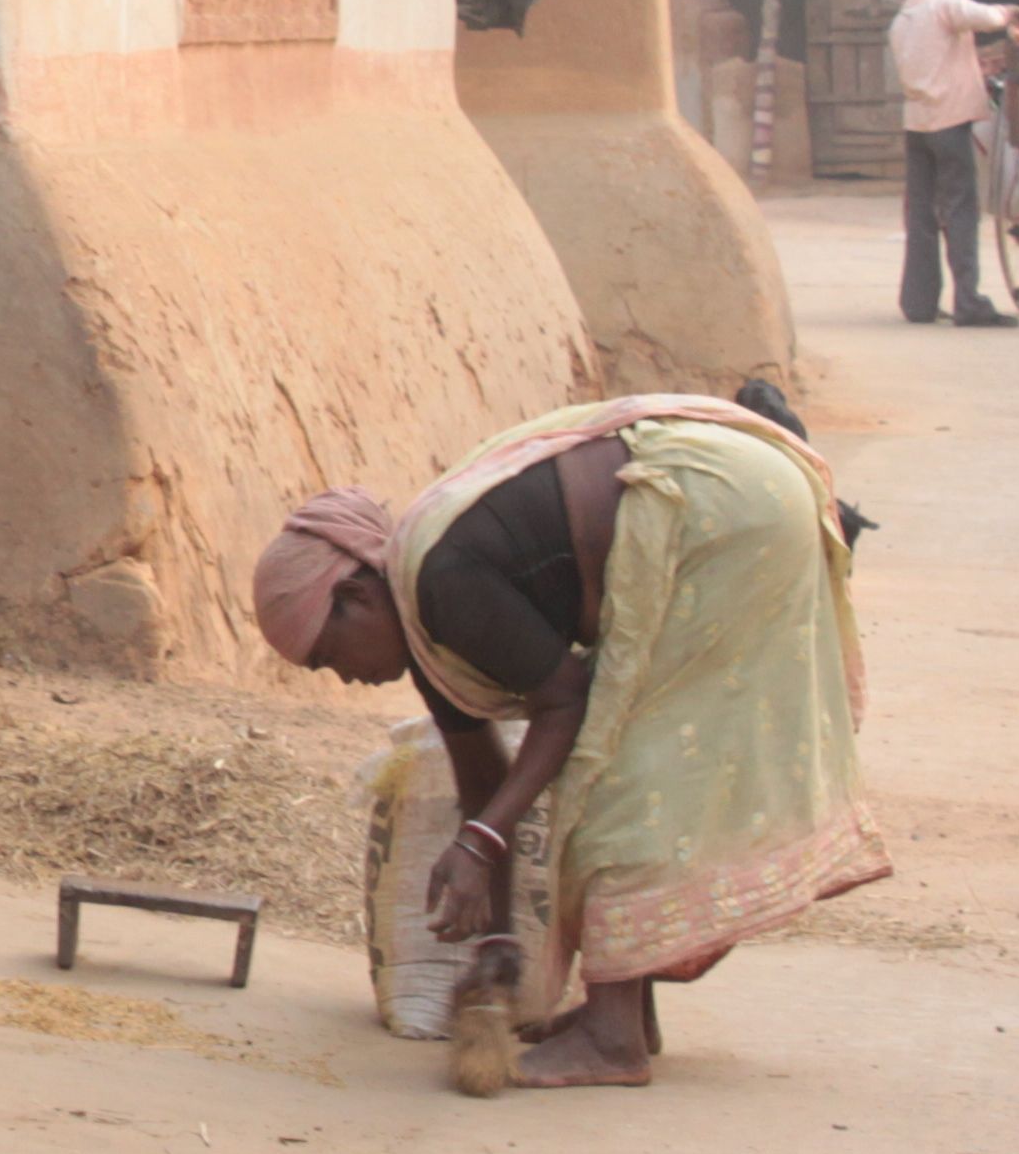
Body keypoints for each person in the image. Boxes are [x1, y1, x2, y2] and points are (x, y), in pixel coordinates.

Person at [252, 395, 890, 1089]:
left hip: (722, 511)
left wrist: (478, 847)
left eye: (328, 655)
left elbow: (565, 704)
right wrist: (498, 940)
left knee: (611, 781)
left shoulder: (441, 583)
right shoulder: (428, 630)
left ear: (359, 598)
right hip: (732, 498)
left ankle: (614, 1040)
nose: (343, 677)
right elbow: (484, 784)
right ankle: (624, 1015)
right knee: (617, 771)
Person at [887, 0, 1019, 327]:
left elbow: (936, 58)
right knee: (960, 211)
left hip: (917, 125)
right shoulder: (944, 6)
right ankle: (969, 302)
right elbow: (985, 17)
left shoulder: (901, 21)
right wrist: (1010, 12)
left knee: (921, 215)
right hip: (949, 122)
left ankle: (919, 303)